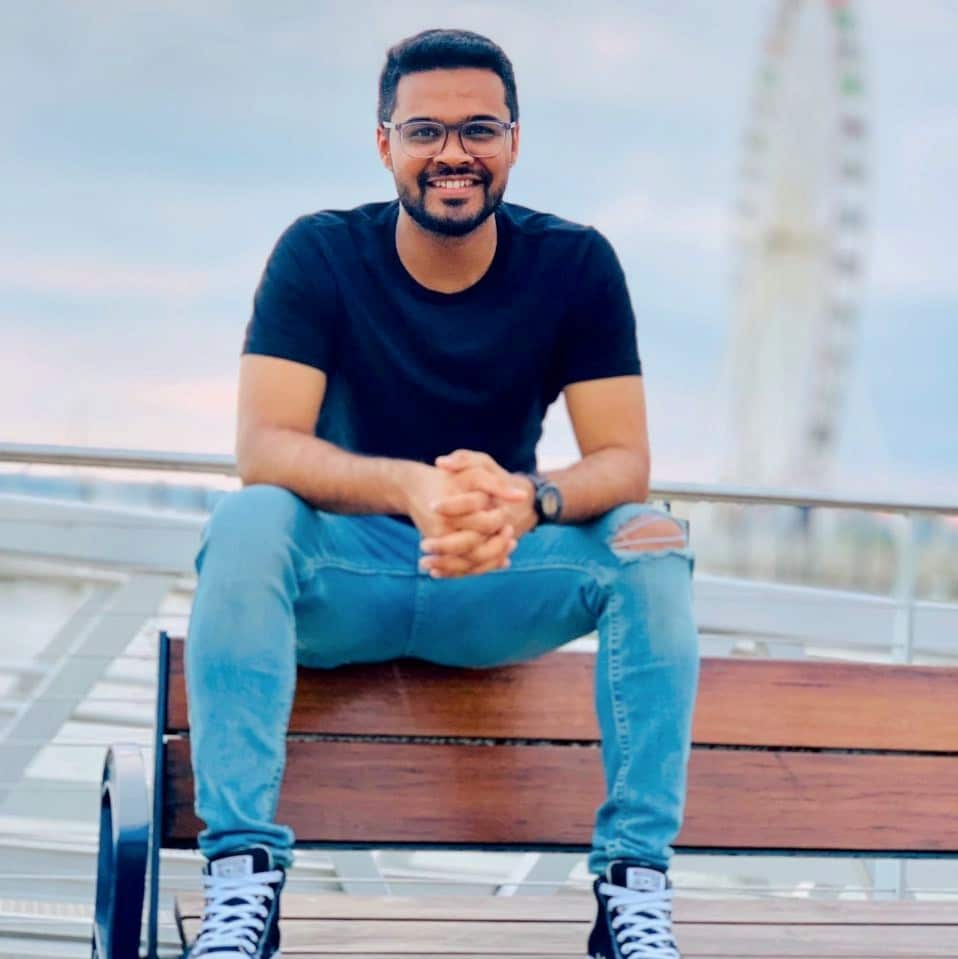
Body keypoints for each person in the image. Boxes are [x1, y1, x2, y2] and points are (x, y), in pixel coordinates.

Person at [182, 27, 699, 959]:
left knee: (650, 540)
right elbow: (262, 447)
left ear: (513, 141)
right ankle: (241, 884)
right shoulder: (319, 255)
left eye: (479, 128)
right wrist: (411, 487)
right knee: (249, 516)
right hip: (349, 575)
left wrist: (520, 503)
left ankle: (633, 890)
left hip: (494, 574)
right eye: (425, 130)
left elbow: (623, 462)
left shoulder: (576, 265)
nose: (453, 152)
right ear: (384, 142)